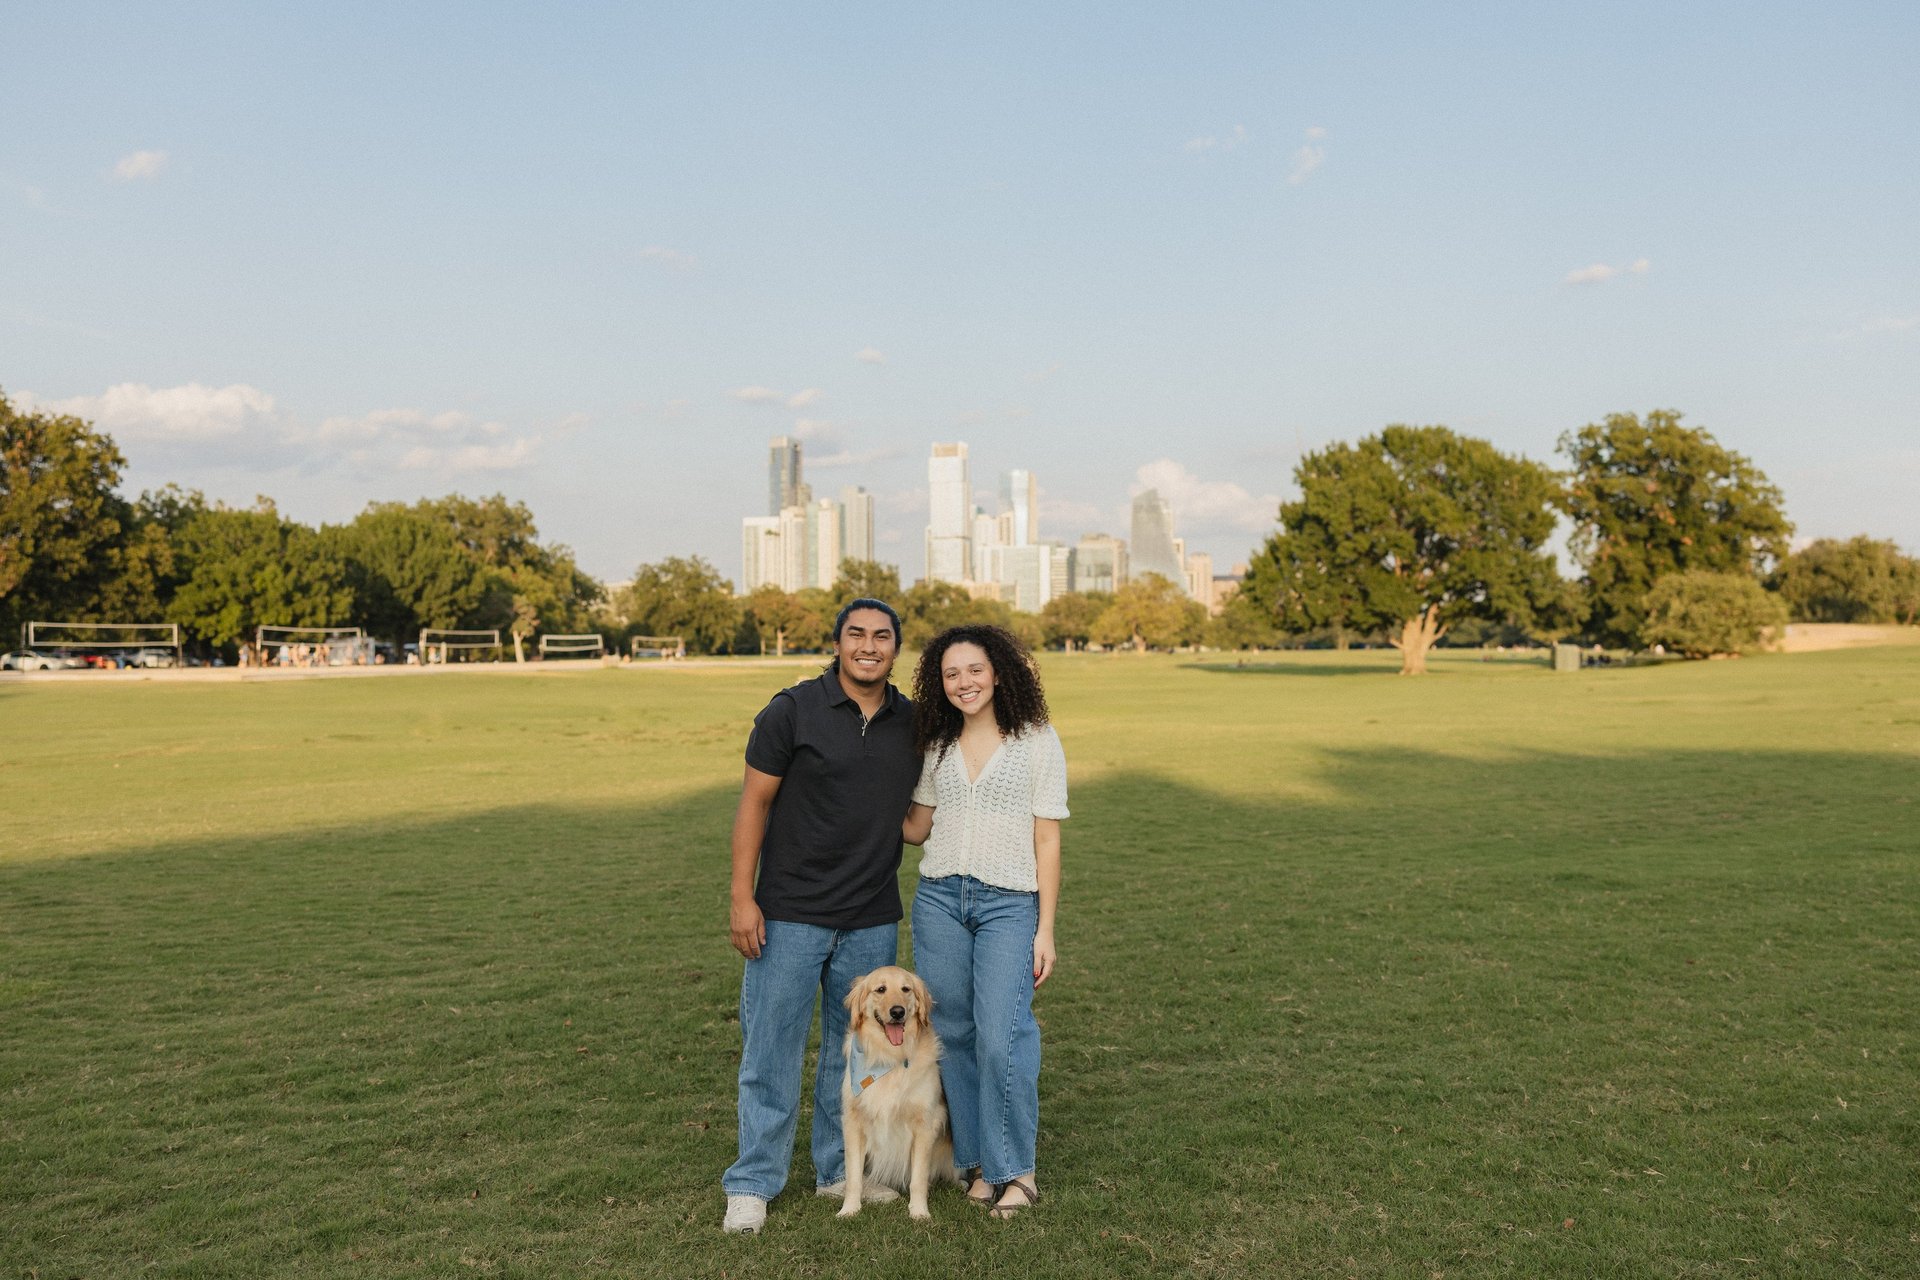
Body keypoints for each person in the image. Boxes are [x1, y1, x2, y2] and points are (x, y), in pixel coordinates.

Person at [721, 598, 920, 1235]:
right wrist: (742, 897)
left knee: (857, 1056)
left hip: (870, 916)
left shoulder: (912, 722)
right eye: (856, 634)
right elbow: (754, 804)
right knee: (771, 1052)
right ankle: (753, 1183)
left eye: (882, 636)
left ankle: (837, 1169)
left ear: (895, 648)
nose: (869, 646)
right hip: (789, 913)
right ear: (837, 643)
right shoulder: (791, 710)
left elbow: (920, 813)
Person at [901, 624, 1068, 1220]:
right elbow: (916, 826)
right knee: (955, 1035)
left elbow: (1047, 839)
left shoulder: (1036, 739)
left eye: (974, 670)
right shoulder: (938, 742)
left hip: (1010, 904)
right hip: (940, 900)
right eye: (951, 674)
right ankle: (976, 1164)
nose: (963, 682)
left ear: (998, 671)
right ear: (939, 682)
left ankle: (1016, 1171)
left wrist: (1044, 929)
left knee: (1004, 1035)